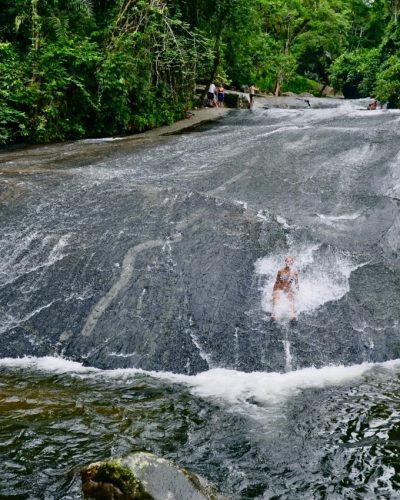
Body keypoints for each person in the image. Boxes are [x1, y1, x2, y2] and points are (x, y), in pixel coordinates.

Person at [271, 256, 299, 321]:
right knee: (276, 298)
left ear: (292, 262)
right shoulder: (280, 271)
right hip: (280, 289)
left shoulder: (294, 272)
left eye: (290, 261)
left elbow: (297, 284)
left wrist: (297, 293)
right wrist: (273, 292)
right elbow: (276, 282)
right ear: (285, 262)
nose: (289, 263)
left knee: (291, 298)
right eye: (287, 261)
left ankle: (293, 314)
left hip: (288, 290)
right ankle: (274, 314)